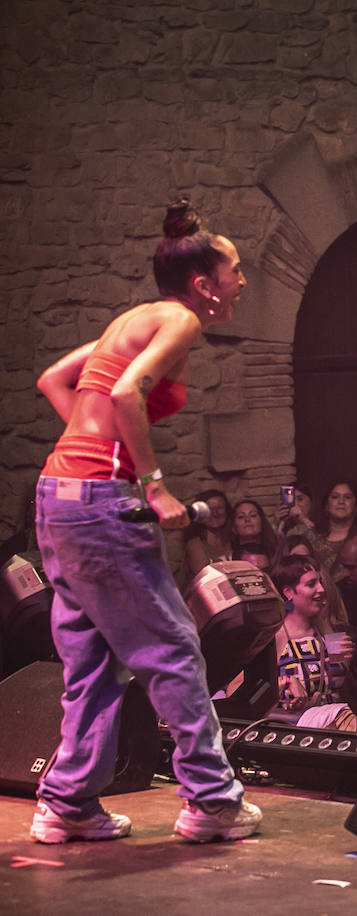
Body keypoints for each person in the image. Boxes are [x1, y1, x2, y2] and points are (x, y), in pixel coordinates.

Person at [29, 199, 259, 844]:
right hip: (101, 503)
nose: (242, 281)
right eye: (236, 271)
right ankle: (212, 802)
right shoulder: (181, 319)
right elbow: (127, 392)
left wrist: (84, 446)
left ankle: (68, 803)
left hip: (57, 495)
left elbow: (54, 380)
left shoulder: (133, 317)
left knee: (96, 662)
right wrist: (152, 486)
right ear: (203, 283)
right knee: (175, 650)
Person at [271, 556, 355, 727]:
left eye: (321, 582)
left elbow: (342, 690)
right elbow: (241, 691)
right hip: (292, 730)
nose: (321, 589)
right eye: (311, 584)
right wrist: (286, 682)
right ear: (288, 592)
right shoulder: (273, 637)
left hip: (333, 725)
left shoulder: (327, 632)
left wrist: (353, 663)